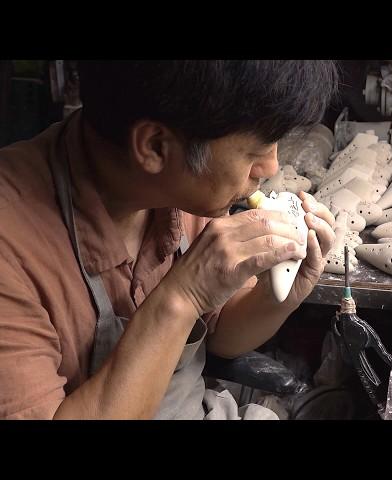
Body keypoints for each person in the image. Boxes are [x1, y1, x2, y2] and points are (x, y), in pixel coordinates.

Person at [0, 60, 339, 419]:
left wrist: (276, 296)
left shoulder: (185, 188)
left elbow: (221, 332)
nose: (270, 168)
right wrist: (182, 296)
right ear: (155, 147)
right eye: (254, 153)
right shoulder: (12, 246)